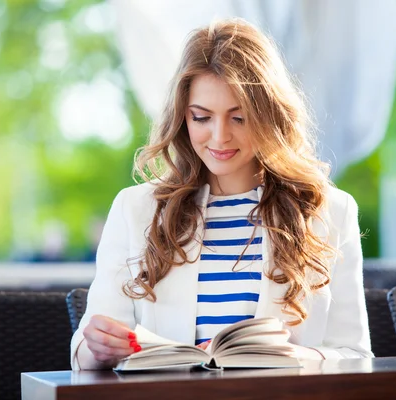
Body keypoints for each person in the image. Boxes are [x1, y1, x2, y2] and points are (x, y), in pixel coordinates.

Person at [70, 18, 373, 370]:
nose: (219, 137)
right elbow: (83, 352)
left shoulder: (329, 213)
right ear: (183, 117)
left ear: (268, 115)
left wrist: (305, 358)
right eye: (202, 118)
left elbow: (356, 357)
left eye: (239, 118)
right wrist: (99, 347)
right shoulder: (135, 210)